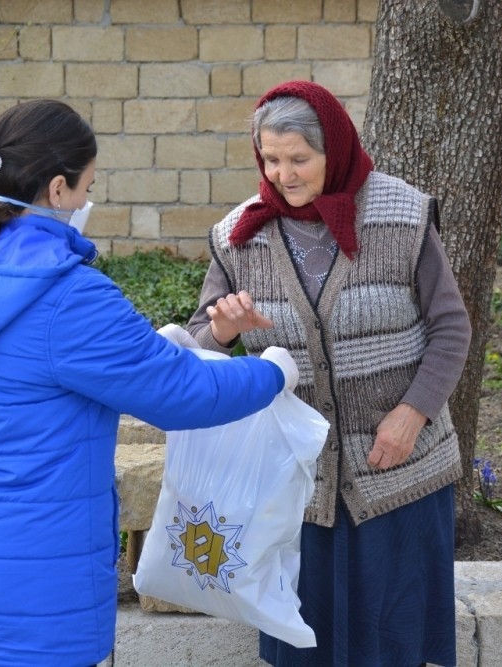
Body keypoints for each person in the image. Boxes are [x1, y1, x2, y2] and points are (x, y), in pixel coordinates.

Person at [0, 99, 299, 667]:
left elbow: (31, 374)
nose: (89, 200)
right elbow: (182, 395)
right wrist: (275, 372)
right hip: (35, 585)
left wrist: (175, 347)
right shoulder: (66, 295)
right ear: (60, 188)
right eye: (90, 185)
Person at [185, 81, 472, 667]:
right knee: (304, 649)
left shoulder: (402, 215)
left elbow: (451, 328)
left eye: (299, 159)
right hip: (296, 487)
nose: (283, 174)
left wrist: (413, 412)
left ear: (333, 150)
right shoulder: (239, 237)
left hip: (398, 473)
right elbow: (196, 344)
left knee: (395, 647)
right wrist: (224, 329)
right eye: (270, 159)